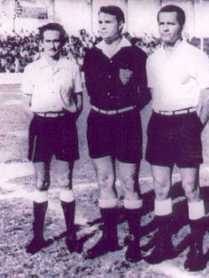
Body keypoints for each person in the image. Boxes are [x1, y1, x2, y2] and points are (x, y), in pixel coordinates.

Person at [144, 5, 209, 271]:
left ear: (181, 26)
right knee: (161, 188)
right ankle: (164, 244)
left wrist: (193, 129)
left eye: (171, 24)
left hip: (186, 122)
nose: (165, 28)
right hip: (159, 123)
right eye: (161, 23)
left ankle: (196, 249)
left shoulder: (196, 56)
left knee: (190, 189)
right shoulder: (152, 59)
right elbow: (155, 95)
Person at [83, 5, 150, 262]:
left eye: (107, 22)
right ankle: (109, 237)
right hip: (98, 122)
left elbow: (146, 92)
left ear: (121, 24)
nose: (102, 26)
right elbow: (91, 89)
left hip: (126, 123)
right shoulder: (91, 54)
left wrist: (127, 109)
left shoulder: (136, 54)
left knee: (130, 182)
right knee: (104, 180)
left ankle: (134, 240)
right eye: (99, 22)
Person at [21, 23, 83, 254]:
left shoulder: (72, 67)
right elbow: (27, 104)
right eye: (47, 41)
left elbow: (79, 104)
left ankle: (71, 235)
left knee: (66, 181)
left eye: (56, 40)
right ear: (41, 43)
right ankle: (38, 237)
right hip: (40, 125)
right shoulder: (31, 69)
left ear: (63, 42)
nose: (52, 45)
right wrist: (41, 115)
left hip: (65, 125)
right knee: (41, 182)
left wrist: (69, 111)